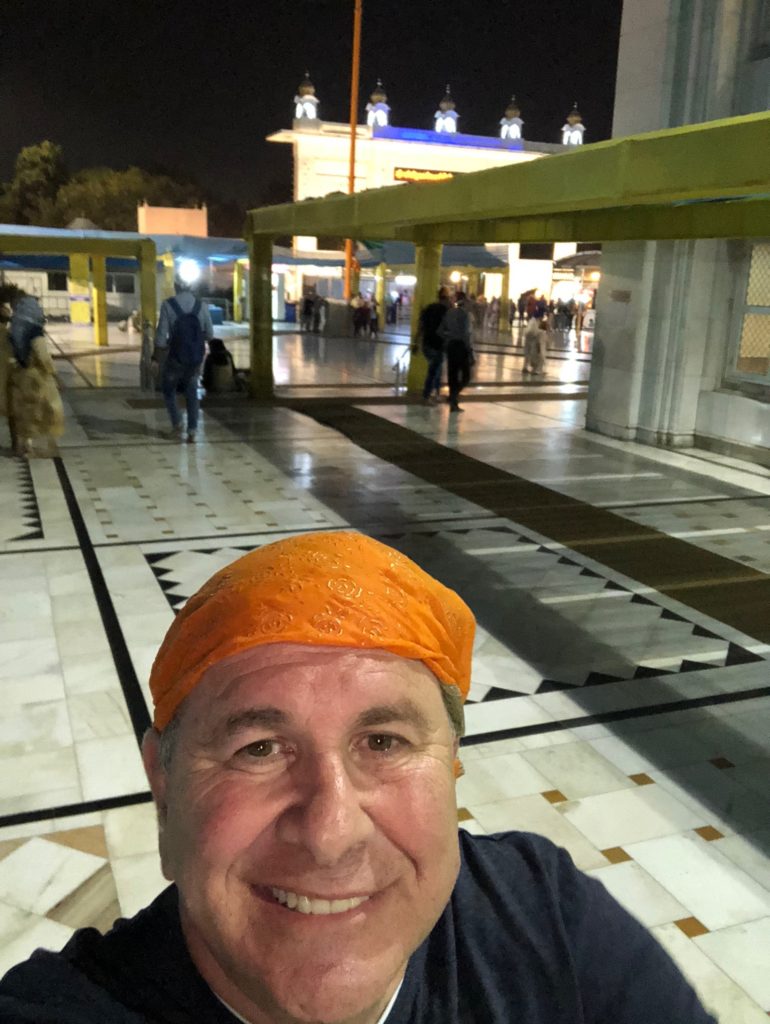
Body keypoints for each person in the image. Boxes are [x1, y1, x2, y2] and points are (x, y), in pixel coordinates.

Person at [0, 530, 717, 1024]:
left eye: (383, 741)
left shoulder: (545, 920)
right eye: (258, 749)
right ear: (164, 785)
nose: (331, 832)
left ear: (453, 769)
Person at [153, 282, 213, 444]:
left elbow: (160, 339)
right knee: (192, 391)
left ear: (175, 286)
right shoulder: (201, 306)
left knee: (168, 389)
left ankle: (177, 423)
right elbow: (210, 334)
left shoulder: (168, 305)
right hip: (194, 359)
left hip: (176, 358)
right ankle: (192, 431)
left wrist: (157, 357)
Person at [7, 295, 64, 458]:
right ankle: (49, 447)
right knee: (50, 411)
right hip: (37, 378)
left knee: (25, 413)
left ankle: (24, 446)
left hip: (20, 375)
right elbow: (43, 356)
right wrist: (56, 376)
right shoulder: (34, 332)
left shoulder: (14, 330)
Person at [438, 291, 474, 412]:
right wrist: (470, 352)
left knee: (452, 375)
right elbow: (466, 334)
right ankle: (453, 397)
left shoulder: (448, 313)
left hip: (451, 347)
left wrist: (447, 339)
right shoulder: (465, 314)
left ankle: (453, 401)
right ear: (463, 301)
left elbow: (440, 331)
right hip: (461, 346)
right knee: (466, 376)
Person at [415, 287, 450, 404]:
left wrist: (416, 342)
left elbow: (420, 326)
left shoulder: (429, 308)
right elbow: (448, 329)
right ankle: (427, 395)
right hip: (437, 344)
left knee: (437, 370)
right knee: (434, 371)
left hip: (427, 343)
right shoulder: (445, 311)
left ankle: (436, 394)